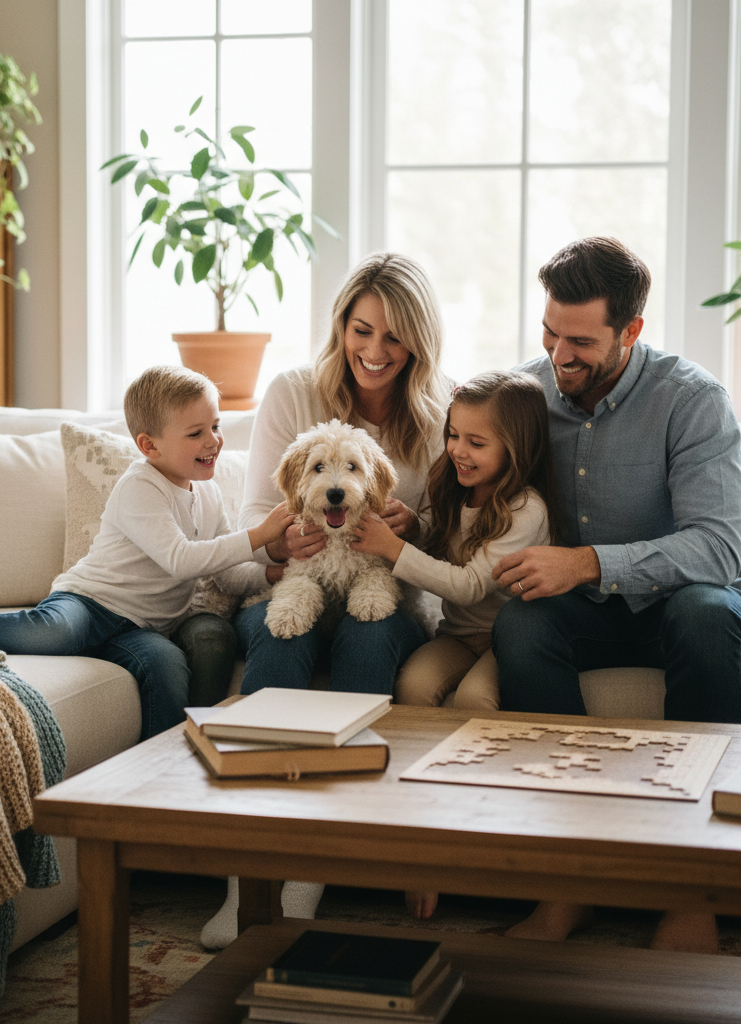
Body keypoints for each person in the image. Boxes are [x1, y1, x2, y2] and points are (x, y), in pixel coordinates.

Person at [489, 236, 741, 953]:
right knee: (521, 626)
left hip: (686, 602)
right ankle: (569, 880)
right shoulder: (525, 392)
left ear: (631, 331)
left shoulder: (691, 399)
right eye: (549, 333)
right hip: (589, 618)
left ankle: (691, 895)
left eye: (580, 340)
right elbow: (464, 478)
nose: (558, 355)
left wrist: (585, 563)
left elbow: (716, 548)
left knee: (706, 617)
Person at [200, 252, 451, 951]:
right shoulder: (291, 392)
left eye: (395, 337)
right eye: (362, 329)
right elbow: (256, 528)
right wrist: (286, 545)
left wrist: (411, 531)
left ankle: (309, 870)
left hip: (382, 591)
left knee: (369, 639)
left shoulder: (438, 416)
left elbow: (452, 543)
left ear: (419, 343)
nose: (375, 351)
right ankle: (247, 877)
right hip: (292, 585)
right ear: (342, 325)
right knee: (281, 639)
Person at [0, 366, 293, 741]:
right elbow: (182, 559)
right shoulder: (140, 487)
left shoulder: (209, 493)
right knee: (55, 632)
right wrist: (258, 535)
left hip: (145, 626)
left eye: (215, 426)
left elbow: (226, 573)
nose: (213, 441)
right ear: (149, 446)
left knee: (165, 666)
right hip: (89, 603)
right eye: (196, 433)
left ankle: (165, 775)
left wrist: (271, 574)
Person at [351, 369, 555, 920]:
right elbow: (441, 541)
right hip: (459, 633)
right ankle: (423, 849)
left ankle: (482, 844)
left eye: (477, 443)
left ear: (515, 448)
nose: (459, 451)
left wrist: (394, 549)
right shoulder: (451, 485)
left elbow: (467, 583)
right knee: (412, 688)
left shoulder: (526, 509)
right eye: (453, 435)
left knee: (473, 705)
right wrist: (409, 526)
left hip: (506, 635)